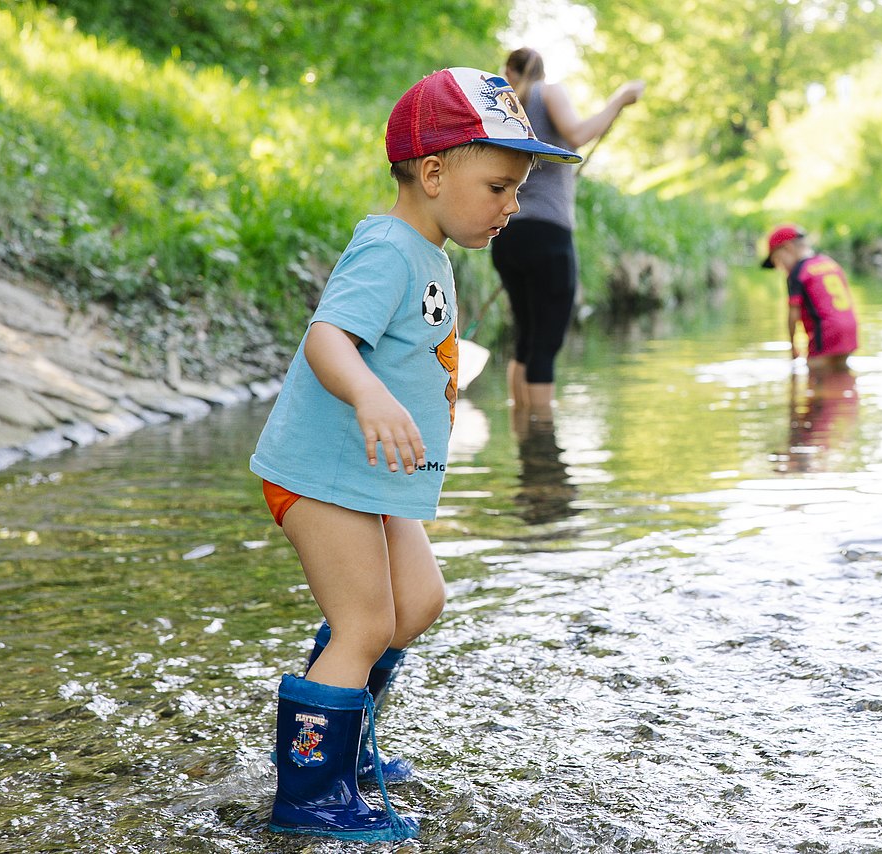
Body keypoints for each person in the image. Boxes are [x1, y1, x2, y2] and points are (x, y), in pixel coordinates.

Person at [248, 67, 579, 843]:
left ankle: (346, 742)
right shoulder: (389, 248)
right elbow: (328, 338)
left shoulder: (429, 253)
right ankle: (309, 792)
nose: (513, 205)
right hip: (322, 474)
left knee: (418, 602)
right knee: (364, 621)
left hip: (372, 482)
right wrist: (369, 395)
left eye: (518, 188)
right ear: (433, 173)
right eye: (499, 186)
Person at [492, 46, 644, 424]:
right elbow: (577, 133)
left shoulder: (503, 108)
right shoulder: (548, 91)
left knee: (526, 338)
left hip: (508, 235)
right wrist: (620, 98)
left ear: (510, 69)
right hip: (548, 234)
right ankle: (542, 446)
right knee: (547, 341)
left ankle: (523, 429)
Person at [762, 224, 859, 374]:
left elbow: (793, 313)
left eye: (777, 261)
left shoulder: (797, 273)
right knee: (840, 374)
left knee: (815, 376)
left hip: (826, 332)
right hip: (849, 330)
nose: (780, 268)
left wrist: (792, 346)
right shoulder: (828, 263)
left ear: (787, 248)